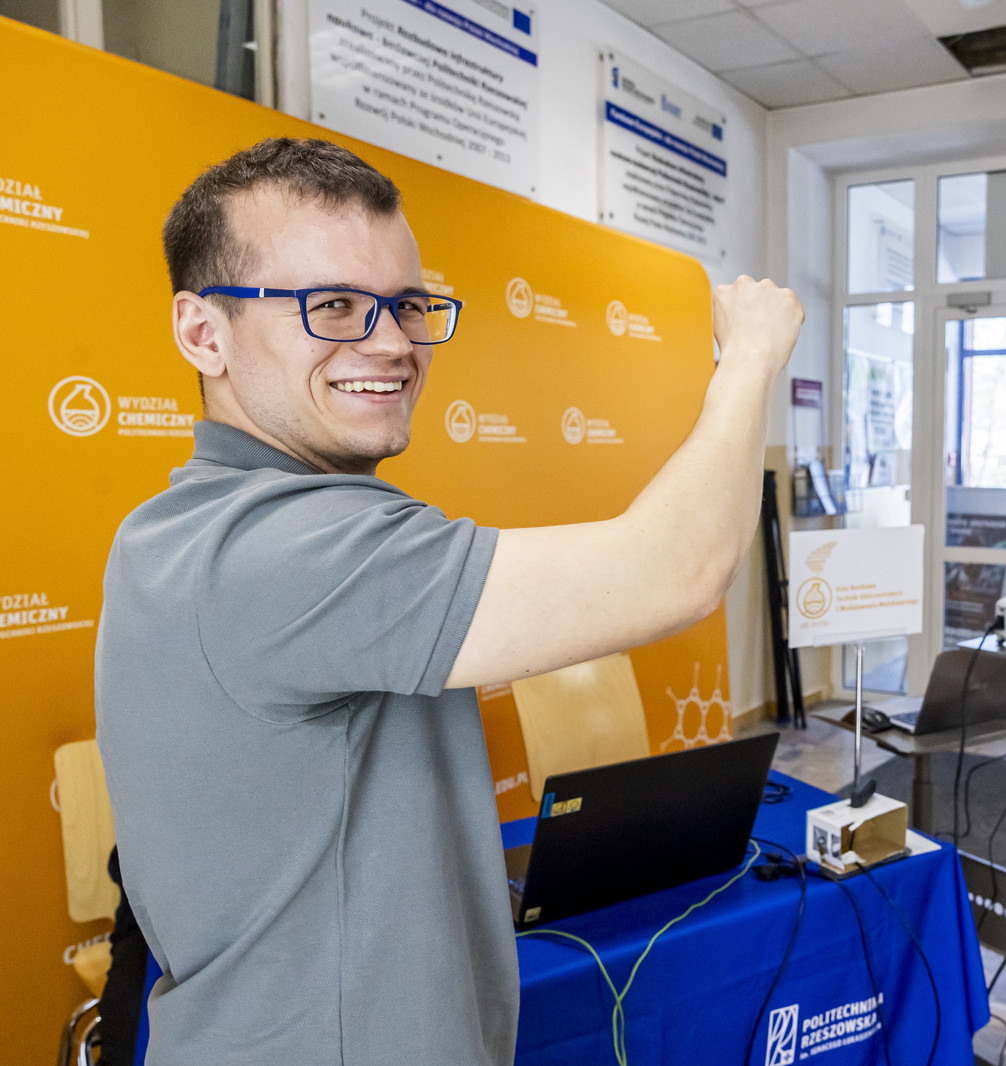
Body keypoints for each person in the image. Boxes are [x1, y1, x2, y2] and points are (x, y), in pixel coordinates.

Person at [94, 137, 802, 1065]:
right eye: (331, 306)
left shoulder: (178, 528)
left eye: (406, 305)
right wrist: (750, 355)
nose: (391, 342)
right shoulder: (278, 548)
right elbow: (678, 569)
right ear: (202, 333)